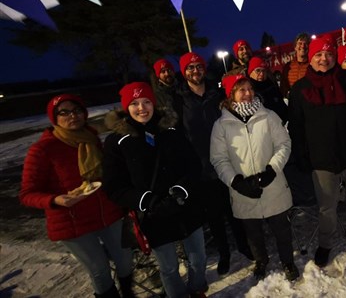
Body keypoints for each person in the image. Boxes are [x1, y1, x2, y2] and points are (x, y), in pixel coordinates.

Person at [20, 94, 135, 298]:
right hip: (72, 221)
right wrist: (55, 200)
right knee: (99, 270)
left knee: (125, 259)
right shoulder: (43, 149)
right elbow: (27, 193)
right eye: (64, 112)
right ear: (54, 118)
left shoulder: (92, 139)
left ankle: (128, 292)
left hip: (108, 213)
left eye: (76, 110)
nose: (72, 116)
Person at [103, 82, 208, 298]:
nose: (141, 108)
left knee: (198, 257)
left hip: (185, 206)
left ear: (154, 103)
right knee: (169, 267)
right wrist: (147, 201)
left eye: (146, 102)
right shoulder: (116, 142)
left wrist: (181, 190)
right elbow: (114, 186)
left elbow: (193, 164)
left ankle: (197, 289)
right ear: (126, 108)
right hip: (154, 215)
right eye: (134, 103)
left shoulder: (170, 130)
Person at [288, 36, 346, 267]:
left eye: (328, 54)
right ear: (311, 57)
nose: (324, 58)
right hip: (322, 158)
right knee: (327, 206)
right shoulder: (300, 89)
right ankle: (325, 243)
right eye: (318, 54)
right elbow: (297, 126)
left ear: (334, 56)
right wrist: (301, 154)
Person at [210, 75, 300, 282]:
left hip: (273, 185)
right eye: (241, 90)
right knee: (253, 234)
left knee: (282, 230)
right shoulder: (221, 125)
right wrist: (236, 182)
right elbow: (218, 159)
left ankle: (288, 261)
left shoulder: (268, 116)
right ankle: (261, 260)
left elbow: (284, 145)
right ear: (231, 95)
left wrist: (272, 170)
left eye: (250, 89)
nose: (248, 94)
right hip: (243, 189)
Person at [176, 52, 253, 275]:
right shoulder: (179, 98)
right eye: (190, 68)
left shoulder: (216, 92)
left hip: (227, 160)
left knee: (234, 208)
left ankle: (243, 246)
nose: (195, 71)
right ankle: (224, 254)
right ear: (184, 72)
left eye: (198, 67)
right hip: (200, 166)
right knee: (214, 215)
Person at [247, 56, 288, 124]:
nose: (262, 74)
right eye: (258, 71)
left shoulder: (271, 86)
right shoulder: (248, 91)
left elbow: (282, 106)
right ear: (250, 73)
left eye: (264, 71)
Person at [280, 32, 310, 97]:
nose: (303, 46)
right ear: (295, 47)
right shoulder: (288, 67)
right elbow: (283, 87)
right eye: (300, 43)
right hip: (293, 101)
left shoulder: (312, 66)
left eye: (306, 43)